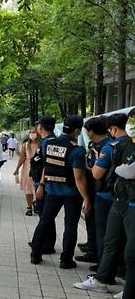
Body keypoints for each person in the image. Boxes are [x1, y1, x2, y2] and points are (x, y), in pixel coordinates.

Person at [73, 113, 135, 299]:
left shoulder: (113, 146)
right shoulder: (121, 145)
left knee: (118, 246)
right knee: (122, 247)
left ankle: (122, 297)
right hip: (121, 200)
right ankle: (124, 292)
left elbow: (99, 173)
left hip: (117, 201)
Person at [30, 115, 91, 269]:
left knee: (44, 221)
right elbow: (79, 178)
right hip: (72, 194)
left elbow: (46, 166)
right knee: (70, 225)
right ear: (77, 130)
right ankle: (66, 260)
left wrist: (42, 184)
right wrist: (86, 198)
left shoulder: (49, 144)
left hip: (52, 190)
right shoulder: (77, 151)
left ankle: (35, 255)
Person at [76, 117, 110, 266]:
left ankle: (98, 258)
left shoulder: (106, 147)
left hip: (101, 192)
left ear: (90, 131)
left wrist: (84, 166)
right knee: (92, 223)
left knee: (100, 228)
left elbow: (97, 172)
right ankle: (92, 250)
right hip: (94, 190)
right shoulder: (97, 145)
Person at [14, 127, 40, 216]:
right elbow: (22, 158)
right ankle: (29, 207)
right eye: (31, 132)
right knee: (28, 189)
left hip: (38, 169)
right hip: (27, 169)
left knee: (37, 189)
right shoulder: (25, 145)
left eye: (34, 132)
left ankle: (36, 203)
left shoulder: (42, 145)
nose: (32, 134)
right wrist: (17, 168)